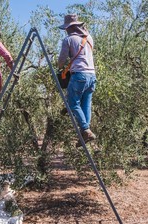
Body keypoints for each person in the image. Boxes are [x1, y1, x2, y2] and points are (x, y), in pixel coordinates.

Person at [58, 14, 98, 148]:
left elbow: (62, 60)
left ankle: (85, 130)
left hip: (79, 75)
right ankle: (85, 132)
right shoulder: (89, 38)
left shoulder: (68, 39)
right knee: (86, 103)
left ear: (69, 28)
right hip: (91, 75)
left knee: (73, 102)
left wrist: (60, 66)